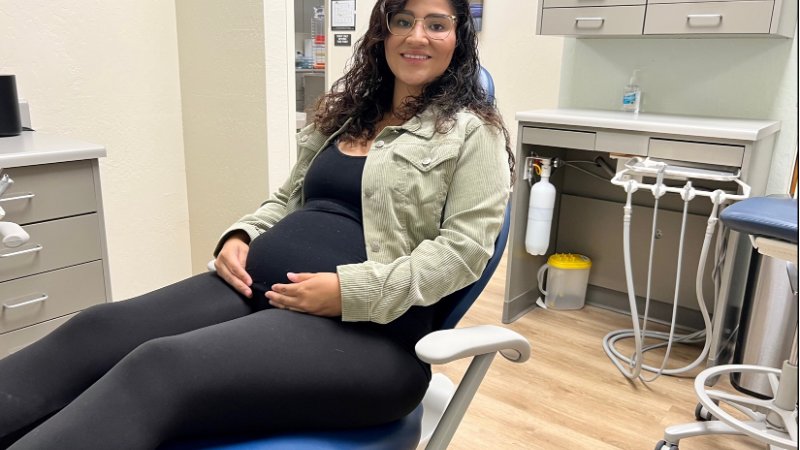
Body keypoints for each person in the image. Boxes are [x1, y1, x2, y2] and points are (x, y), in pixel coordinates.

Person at [0, 0, 513, 448]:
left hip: (369, 334)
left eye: (436, 24)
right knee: (95, 331)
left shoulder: (473, 134)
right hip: (254, 290)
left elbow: (462, 252)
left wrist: (350, 291)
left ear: (458, 39)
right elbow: (287, 199)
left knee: (159, 369)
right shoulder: (349, 116)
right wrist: (241, 234)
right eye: (403, 20)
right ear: (383, 32)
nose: (416, 35)